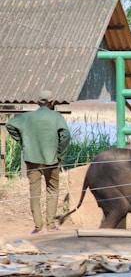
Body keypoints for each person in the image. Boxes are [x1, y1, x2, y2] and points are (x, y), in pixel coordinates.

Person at [6, 90, 71, 234]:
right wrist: (60, 154)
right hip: (52, 160)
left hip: (32, 160)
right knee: (52, 191)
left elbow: (9, 125)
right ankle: (51, 226)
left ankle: (37, 227)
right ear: (52, 103)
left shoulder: (28, 116)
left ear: (37, 102)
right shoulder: (56, 116)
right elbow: (66, 135)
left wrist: (22, 141)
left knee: (34, 193)